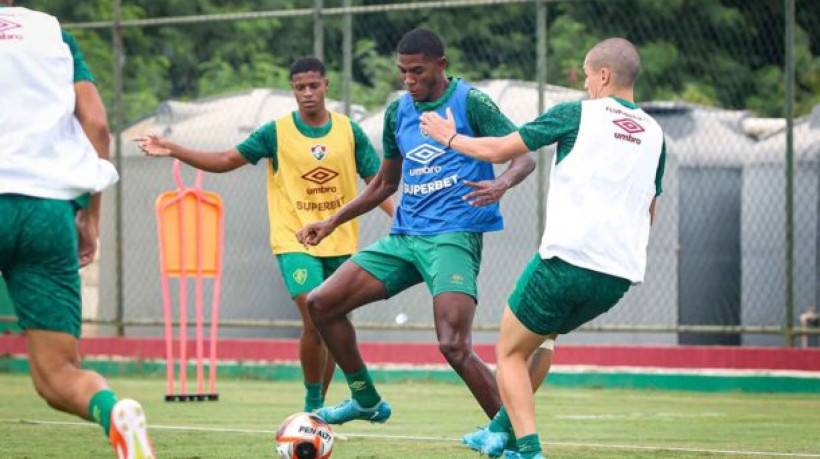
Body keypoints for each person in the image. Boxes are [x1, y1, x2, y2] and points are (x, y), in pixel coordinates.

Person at [420, 37, 667, 459]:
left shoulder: (577, 114)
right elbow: (650, 210)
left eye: (588, 76)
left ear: (603, 76)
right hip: (618, 276)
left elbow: (500, 148)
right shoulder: (656, 134)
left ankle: (528, 449)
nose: (587, 84)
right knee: (543, 338)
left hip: (566, 261)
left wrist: (448, 137)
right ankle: (498, 431)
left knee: (510, 353)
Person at [296, 28, 536, 426]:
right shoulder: (398, 111)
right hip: (405, 238)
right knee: (321, 303)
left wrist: (502, 182)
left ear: (441, 66)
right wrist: (332, 220)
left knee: (453, 344)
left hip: (453, 236)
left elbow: (523, 157)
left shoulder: (471, 102)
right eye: (402, 72)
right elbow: (385, 184)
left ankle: (513, 436)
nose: (408, 80)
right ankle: (365, 398)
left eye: (417, 71)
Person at [137, 56, 393, 412]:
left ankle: (319, 414)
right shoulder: (276, 132)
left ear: (326, 86)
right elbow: (227, 159)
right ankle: (313, 402)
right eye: (299, 87)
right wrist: (173, 148)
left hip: (340, 240)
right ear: (293, 90)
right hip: (295, 239)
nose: (307, 93)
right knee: (314, 315)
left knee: (333, 322)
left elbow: (378, 184)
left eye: (313, 86)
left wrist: (404, 219)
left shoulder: (349, 131)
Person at [0, 3, 156, 458]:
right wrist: (90, 213)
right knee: (58, 374)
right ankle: (114, 412)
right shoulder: (51, 32)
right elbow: (98, 125)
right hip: (48, 211)